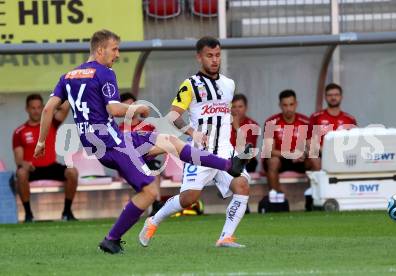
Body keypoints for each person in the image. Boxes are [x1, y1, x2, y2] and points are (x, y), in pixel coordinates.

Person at [33, 30, 248, 254]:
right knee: (149, 192)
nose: (117, 55)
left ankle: (228, 164)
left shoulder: (68, 77)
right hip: (112, 144)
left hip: (109, 140)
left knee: (169, 142)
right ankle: (112, 239)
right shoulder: (104, 72)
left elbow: (49, 109)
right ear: (100, 50)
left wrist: (41, 142)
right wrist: (137, 108)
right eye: (114, 49)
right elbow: (114, 109)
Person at [139, 36, 251, 248]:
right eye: (209, 56)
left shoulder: (229, 84)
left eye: (217, 55)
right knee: (189, 197)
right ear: (199, 57)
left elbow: (225, 114)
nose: (215, 60)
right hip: (200, 151)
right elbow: (172, 115)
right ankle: (153, 221)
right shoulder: (189, 85)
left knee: (242, 185)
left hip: (225, 149)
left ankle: (226, 237)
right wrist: (193, 132)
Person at [13, 93, 78, 222]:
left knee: (72, 172)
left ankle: (67, 212)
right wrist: (25, 164)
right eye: (33, 108)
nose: (36, 111)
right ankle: (28, 215)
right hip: (32, 169)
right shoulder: (19, 132)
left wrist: (53, 105)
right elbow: (18, 159)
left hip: (51, 166)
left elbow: (65, 108)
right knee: (20, 173)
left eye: (39, 107)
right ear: (27, 109)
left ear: (43, 107)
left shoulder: (51, 123)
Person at [119, 92, 162, 215]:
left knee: (153, 168)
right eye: (126, 106)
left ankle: (156, 204)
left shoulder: (148, 126)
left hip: (147, 159)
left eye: (132, 105)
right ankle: (148, 205)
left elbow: (157, 145)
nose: (130, 109)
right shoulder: (118, 129)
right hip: (128, 163)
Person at [262, 90, 310, 193]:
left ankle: (315, 196)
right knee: (273, 161)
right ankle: (276, 199)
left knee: (315, 161)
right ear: (280, 105)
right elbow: (269, 150)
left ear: (296, 104)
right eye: (285, 105)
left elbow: (312, 146)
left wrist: (304, 153)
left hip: (300, 160)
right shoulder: (271, 122)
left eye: (291, 104)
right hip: (281, 159)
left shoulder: (306, 121)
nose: (288, 108)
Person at [306, 83, 357, 171]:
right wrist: (326, 151)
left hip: (344, 155)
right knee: (315, 160)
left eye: (336, 95)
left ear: (341, 97)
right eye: (330, 95)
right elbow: (309, 141)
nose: (333, 98)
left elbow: (356, 141)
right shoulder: (316, 117)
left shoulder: (350, 119)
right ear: (325, 97)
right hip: (322, 154)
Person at [231, 94, 259, 172]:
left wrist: (237, 128)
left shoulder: (253, 126)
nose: (237, 110)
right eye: (234, 107)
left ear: (246, 108)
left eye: (240, 106)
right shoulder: (224, 124)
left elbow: (248, 150)